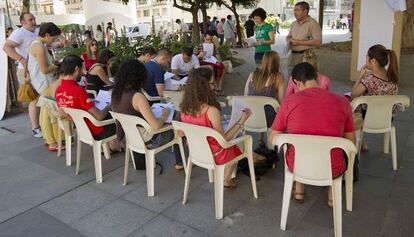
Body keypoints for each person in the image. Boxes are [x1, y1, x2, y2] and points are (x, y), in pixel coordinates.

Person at [269, 62, 355, 207]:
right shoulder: (342, 102)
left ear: (296, 82)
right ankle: (332, 194)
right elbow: (351, 142)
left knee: (297, 148)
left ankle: (299, 190)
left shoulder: (289, 102)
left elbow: (273, 140)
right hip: (332, 166)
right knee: (338, 150)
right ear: (316, 77)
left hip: (297, 165)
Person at [180, 67, 252, 188]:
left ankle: (227, 177)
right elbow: (224, 140)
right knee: (239, 142)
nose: (214, 87)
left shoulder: (184, 108)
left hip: (196, 152)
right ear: (203, 86)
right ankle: (226, 179)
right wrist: (241, 121)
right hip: (216, 155)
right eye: (212, 83)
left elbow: (182, 133)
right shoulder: (211, 110)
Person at [111, 59, 184, 170]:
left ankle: (181, 159)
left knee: (176, 118)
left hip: (131, 137)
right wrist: (164, 114)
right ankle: (181, 161)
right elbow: (156, 126)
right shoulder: (137, 96)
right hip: (149, 140)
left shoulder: (115, 93)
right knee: (179, 119)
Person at [55, 55, 121, 151]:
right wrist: (109, 105)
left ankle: (111, 145)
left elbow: (62, 113)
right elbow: (99, 117)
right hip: (97, 131)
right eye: (82, 69)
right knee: (118, 116)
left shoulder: (59, 90)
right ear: (77, 69)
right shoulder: (78, 90)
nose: (83, 73)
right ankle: (115, 145)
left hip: (82, 130)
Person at [351, 45, 399, 151]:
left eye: (366, 57)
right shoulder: (393, 78)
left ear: (373, 61)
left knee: (348, 101)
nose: (366, 59)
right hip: (387, 119)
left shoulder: (369, 79)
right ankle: (362, 143)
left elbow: (353, 94)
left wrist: (360, 77)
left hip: (368, 120)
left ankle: (359, 143)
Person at [3, 12, 42, 137]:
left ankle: (43, 124)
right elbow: (6, 47)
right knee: (34, 99)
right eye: (30, 19)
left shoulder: (37, 31)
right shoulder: (19, 33)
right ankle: (36, 128)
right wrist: (21, 59)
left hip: (39, 68)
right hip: (26, 70)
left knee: (43, 97)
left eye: (34, 19)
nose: (33, 21)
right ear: (23, 22)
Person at [28, 22, 62, 151]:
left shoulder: (36, 44)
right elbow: (45, 70)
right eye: (53, 38)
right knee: (48, 113)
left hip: (41, 83)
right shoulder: (39, 46)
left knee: (45, 112)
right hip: (45, 83)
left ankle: (50, 140)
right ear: (46, 35)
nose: (53, 41)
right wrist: (57, 66)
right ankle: (52, 141)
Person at [244, 51, 284, 131]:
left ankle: (261, 139)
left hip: (250, 117)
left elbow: (245, 96)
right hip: (268, 120)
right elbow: (281, 101)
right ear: (277, 62)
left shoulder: (252, 74)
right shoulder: (278, 77)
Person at [286, 1, 322, 74]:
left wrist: (299, 42)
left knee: (304, 79)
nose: (295, 12)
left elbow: (317, 41)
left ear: (305, 11)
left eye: (297, 10)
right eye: (294, 10)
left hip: (306, 57)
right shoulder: (293, 24)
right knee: (291, 79)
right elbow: (288, 37)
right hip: (292, 56)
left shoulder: (313, 23)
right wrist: (289, 40)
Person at [194, 31, 227, 96]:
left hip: (212, 61)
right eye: (207, 39)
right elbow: (192, 58)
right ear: (204, 38)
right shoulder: (198, 46)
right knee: (211, 67)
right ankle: (215, 87)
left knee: (225, 65)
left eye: (211, 40)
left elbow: (217, 54)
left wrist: (219, 59)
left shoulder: (213, 45)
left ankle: (219, 85)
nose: (209, 41)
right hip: (201, 62)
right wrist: (199, 56)